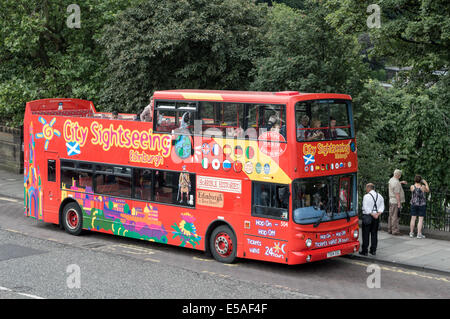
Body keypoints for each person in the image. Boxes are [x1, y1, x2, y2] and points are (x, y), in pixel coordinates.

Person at [360, 183, 384, 256]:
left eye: (366, 188)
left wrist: (372, 214)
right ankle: (373, 250)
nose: (365, 189)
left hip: (367, 216)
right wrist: (377, 214)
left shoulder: (366, 196)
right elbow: (382, 208)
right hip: (376, 217)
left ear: (368, 188)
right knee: (374, 234)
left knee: (365, 234)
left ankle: (365, 251)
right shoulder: (380, 196)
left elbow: (366, 208)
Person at [388, 169, 407, 235]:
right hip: (395, 202)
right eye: (400, 175)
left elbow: (395, 184)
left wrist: (401, 182)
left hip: (391, 200)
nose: (400, 176)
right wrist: (399, 204)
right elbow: (397, 194)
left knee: (391, 215)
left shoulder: (392, 179)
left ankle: (390, 229)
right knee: (395, 216)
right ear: (398, 175)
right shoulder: (396, 183)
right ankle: (395, 231)